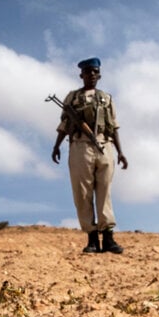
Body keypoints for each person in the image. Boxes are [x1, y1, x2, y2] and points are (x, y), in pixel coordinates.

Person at [52, 57, 128, 254]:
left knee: (104, 191)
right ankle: (92, 238)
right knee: (82, 193)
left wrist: (120, 152)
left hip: (104, 144)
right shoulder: (72, 98)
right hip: (79, 146)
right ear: (81, 75)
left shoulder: (107, 98)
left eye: (95, 72)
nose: (91, 75)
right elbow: (64, 125)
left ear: (99, 75)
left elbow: (113, 126)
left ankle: (108, 237)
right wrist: (57, 146)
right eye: (88, 72)